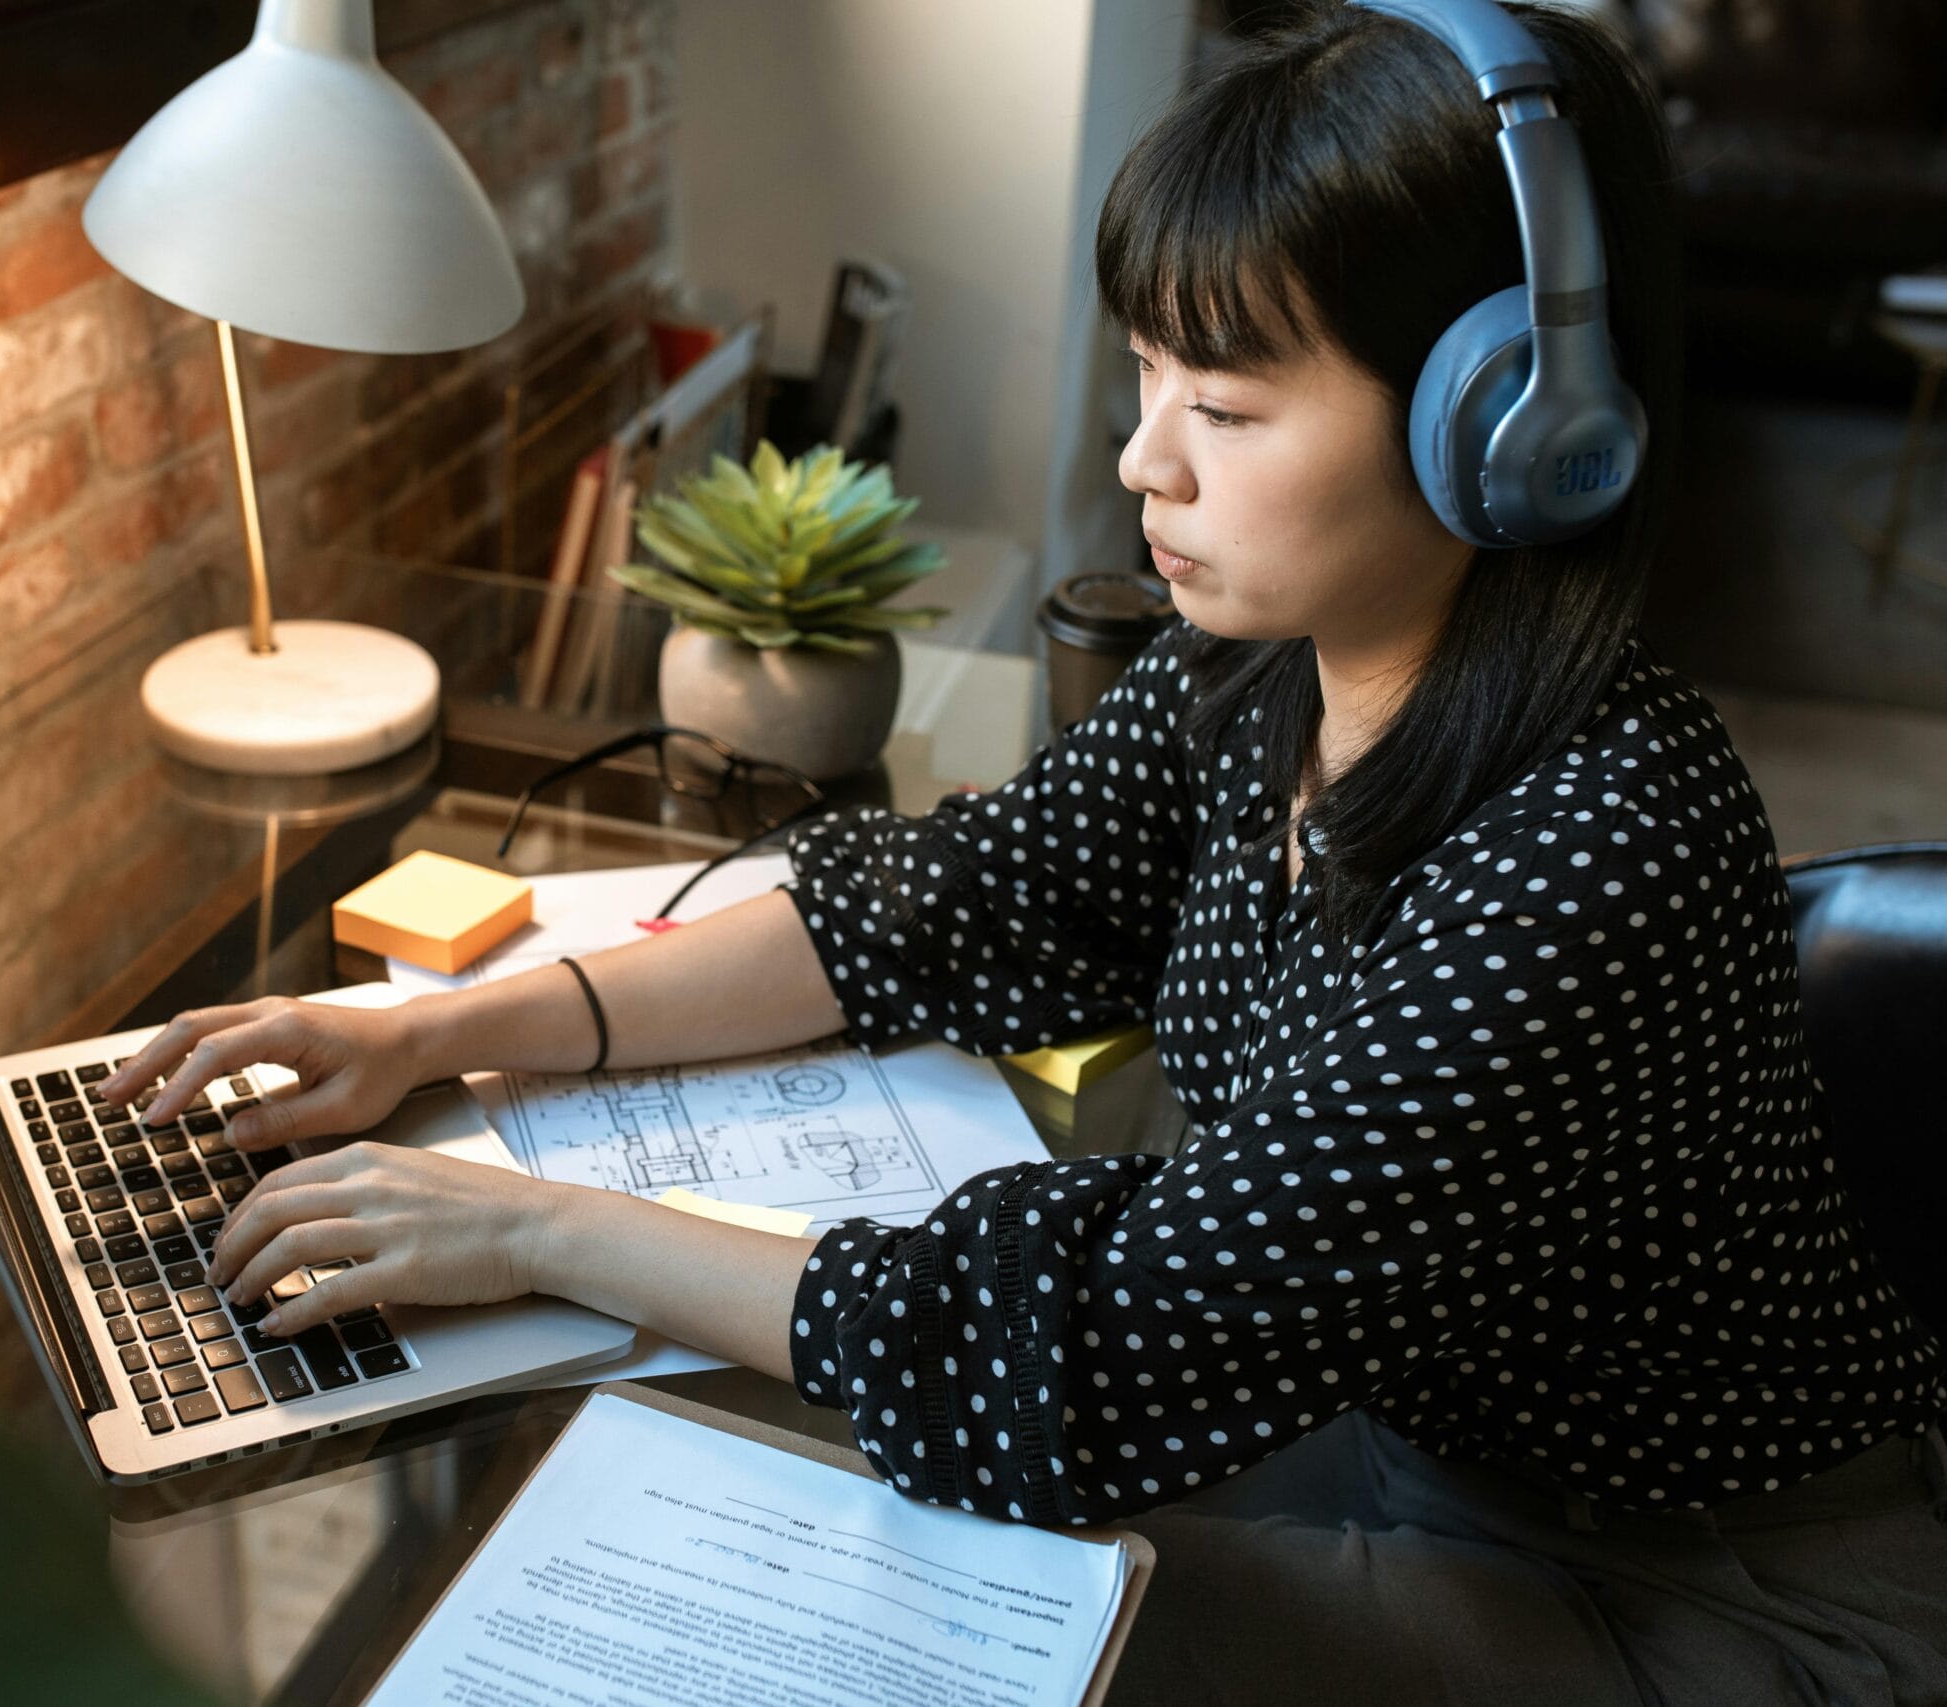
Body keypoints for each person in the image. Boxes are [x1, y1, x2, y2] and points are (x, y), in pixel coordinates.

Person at [98, 2, 1947, 1697]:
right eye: (1147, 376)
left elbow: (1112, 1353)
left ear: (1511, 433)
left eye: (1222, 406)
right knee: (780, 1503)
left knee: (848, 1632)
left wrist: (527, 1224)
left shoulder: (1598, 843)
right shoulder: (1262, 677)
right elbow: (946, 905)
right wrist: (453, 1031)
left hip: (1688, 1592)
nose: (1144, 462)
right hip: (1374, 1421)